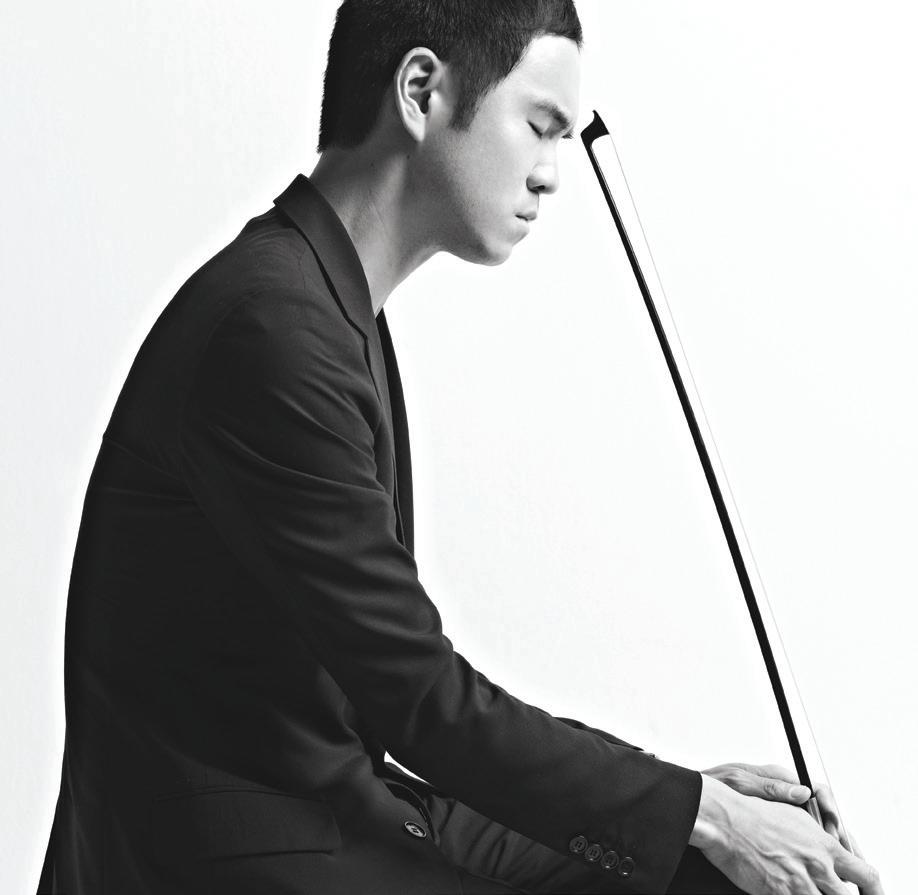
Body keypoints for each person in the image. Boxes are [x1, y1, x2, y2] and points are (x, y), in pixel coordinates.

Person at [37, 2, 883, 893]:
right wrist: (697, 812)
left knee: (705, 868)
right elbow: (423, 701)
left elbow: (394, 714)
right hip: (239, 863)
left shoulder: (324, 308)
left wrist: (682, 812)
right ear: (420, 90)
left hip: (341, 817)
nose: (551, 174)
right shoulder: (274, 331)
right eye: (540, 126)